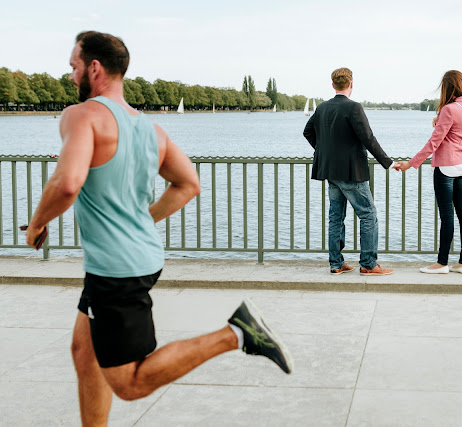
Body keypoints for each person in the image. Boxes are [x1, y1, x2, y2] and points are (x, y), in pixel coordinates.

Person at [25, 31, 292, 425]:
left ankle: (237, 333)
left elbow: (66, 183)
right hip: (137, 256)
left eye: (73, 67)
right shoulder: (152, 131)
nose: (70, 77)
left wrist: (36, 225)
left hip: (116, 271)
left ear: (94, 68)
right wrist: (140, 219)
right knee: (86, 353)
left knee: (130, 383)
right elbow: (189, 184)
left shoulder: (81, 116)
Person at [303, 67, 395, 276]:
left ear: (333, 85)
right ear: (351, 84)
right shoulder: (354, 108)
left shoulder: (323, 108)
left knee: (336, 217)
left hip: (330, 172)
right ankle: (369, 264)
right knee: (368, 215)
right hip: (352, 172)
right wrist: (388, 162)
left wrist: (324, 151)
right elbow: (368, 139)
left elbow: (307, 131)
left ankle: (336, 264)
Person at [394, 70, 462, 275]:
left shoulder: (449, 110)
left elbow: (435, 142)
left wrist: (411, 164)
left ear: (447, 87)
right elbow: (460, 128)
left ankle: (442, 263)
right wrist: (438, 119)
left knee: (447, 216)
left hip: (447, 167)